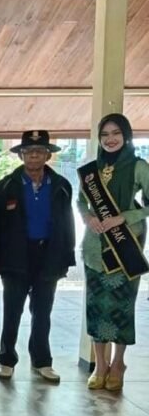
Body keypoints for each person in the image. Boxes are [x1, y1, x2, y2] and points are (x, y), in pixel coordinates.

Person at [0, 130, 74, 383]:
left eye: (39, 151)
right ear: (21, 155)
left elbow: (67, 224)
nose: (34, 156)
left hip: (48, 256)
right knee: (12, 311)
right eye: (28, 151)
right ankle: (6, 360)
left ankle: (42, 361)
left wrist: (66, 258)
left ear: (48, 155)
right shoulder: (7, 185)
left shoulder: (61, 185)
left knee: (43, 312)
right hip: (15, 257)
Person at [77, 113, 149, 391]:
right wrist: (87, 217)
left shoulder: (139, 166)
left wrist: (124, 217)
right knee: (96, 308)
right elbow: (81, 201)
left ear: (126, 135)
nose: (110, 139)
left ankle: (118, 364)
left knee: (121, 307)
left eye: (116, 133)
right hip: (95, 247)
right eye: (105, 134)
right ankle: (100, 364)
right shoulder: (91, 170)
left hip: (125, 245)